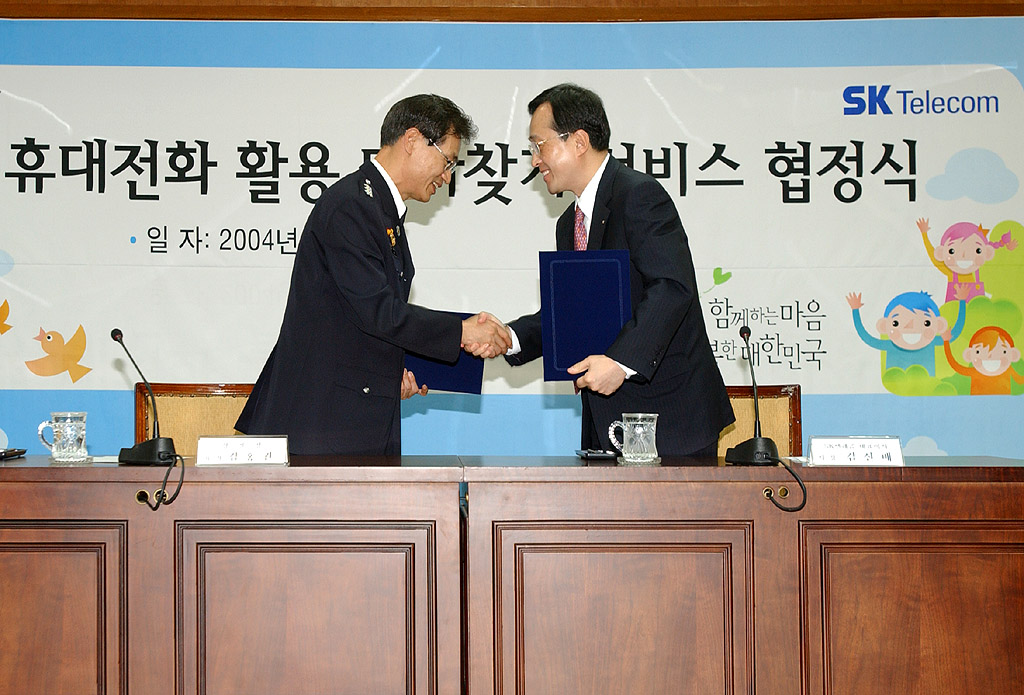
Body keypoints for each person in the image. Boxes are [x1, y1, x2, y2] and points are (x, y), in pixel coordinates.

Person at [236, 94, 510, 455]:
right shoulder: (351, 205)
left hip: (350, 420)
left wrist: (392, 373)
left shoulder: (378, 209)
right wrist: (462, 331)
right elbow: (378, 312)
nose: (446, 177)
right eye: (447, 162)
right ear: (412, 140)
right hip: (318, 427)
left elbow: (355, 322)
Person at [500, 83, 734, 458]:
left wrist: (621, 363)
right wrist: (508, 337)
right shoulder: (569, 223)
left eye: (539, 145)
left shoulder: (638, 195)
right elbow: (575, 315)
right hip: (608, 425)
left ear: (578, 141)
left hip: (670, 419)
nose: (534, 160)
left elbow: (672, 287)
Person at [846, 288, 967, 376]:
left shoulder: (932, 342)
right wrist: (855, 310)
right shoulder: (890, 345)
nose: (910, 328)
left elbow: (955, 333)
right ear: (884, 326)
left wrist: (962, 303)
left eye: (926, 323)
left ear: (939, 325)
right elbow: (866, 337)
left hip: (926, 385)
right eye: (897, 323)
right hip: (894, 386)